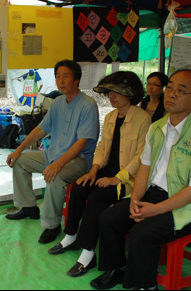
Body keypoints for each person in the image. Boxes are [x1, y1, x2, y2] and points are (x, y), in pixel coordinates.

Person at [90, 70, 191, 290]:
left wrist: (156, 209)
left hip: (187, 205)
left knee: (141, 233)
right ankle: (118, 269)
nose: (171, 94)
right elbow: (145, 166)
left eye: (181, 91)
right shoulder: (157, 127)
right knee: (109, 218)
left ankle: (146, 285)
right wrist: (137, 198)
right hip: (153, 193)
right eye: (170, 88)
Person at [48, 71, 150, 278]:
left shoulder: (143, 118)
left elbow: (141, 156)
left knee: (96, 198)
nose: (111, 97)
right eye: (109, 93)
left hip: (128, 179)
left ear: (129, 94)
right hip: (105, 171)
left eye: (117, 92)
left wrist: (117, 178)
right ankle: (70, 235)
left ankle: (88, 252)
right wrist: (93, 170)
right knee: (79, 187)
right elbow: (103, 147)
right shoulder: (111, 116)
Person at [5, 60, 100, 245]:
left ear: (76, 80)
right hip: (53, 154)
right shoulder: (57, 103)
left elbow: (82, 142)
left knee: (54, 177)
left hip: (78, 160)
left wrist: (58, 164)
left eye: (66, 76)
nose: (60, 80)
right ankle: (28, 207)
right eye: (57, 76)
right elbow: (41, 129)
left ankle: (52, 225)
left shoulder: (88, 105)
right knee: (19, 161)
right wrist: (18, 150)